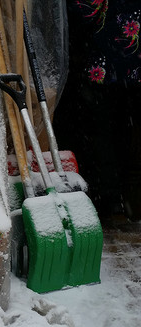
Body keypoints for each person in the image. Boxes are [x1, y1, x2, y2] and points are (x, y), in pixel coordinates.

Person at [53, 0, 141, 221]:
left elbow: (85, 11)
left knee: (103, 134)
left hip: (107, 67)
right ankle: (130, 201)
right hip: (129, 66)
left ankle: (112, 201)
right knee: (127, 135)